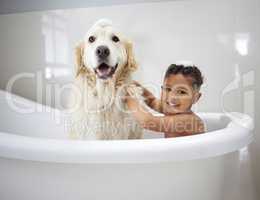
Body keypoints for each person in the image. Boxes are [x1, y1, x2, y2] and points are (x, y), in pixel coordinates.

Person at [126, 64, 205, 138]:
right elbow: (152, 101)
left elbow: (148, 122)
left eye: (182, 92)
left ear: (195, 97)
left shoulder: (190, 121)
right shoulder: (169, 109)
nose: (172, 97)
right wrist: (138, 87)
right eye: (168, 89)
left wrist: (129, 97)